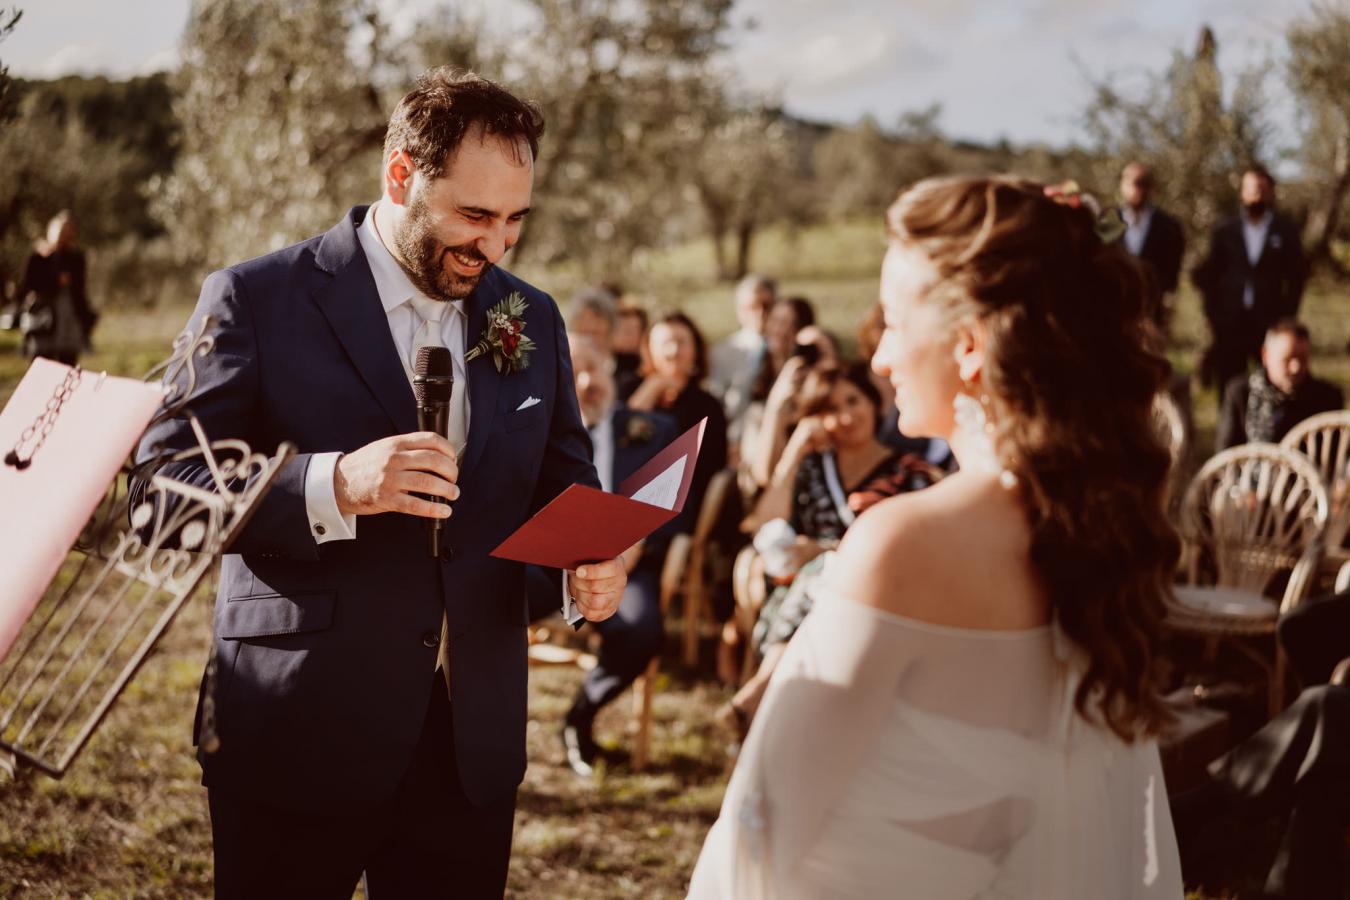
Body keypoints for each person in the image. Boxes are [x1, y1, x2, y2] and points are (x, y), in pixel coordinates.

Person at [133, 69, 628, 898]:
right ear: (400, 174)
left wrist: (592, 565)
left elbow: (561, 480)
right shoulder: (257, 297)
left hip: (471, 743)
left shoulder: (530, 317)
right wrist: (333, 485)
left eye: (514, 221)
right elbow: (158, 491)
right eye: (474, 216)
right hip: (297, 726)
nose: (496, 246)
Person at [689, 175, 1183, 898]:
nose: (881, 357)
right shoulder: (1103, 532)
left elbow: (760, 837)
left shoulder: (905, 542)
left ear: (970, 346)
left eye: (893, 321)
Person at [726, 363, 942, 731]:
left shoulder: (909, 473)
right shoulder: (811, 469)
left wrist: (829, 551)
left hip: (876, 600)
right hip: (798, 598)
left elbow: (917, 549)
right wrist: (793, 452)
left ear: (873, 403)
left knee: (830, 570)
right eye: (829, 409)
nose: (845, 416)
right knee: (819, 578)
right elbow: (764, 527)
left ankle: (762, 691)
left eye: (853, 401)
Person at [534, 334, 679, 778]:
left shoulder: (652, 430)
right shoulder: (532, 429)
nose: (584, 381)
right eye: (572, 371)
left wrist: (637, 543)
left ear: (611, 368)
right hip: (544, 567)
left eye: (592, 367)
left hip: (629, 567)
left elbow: (675, 505)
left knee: (641, 629)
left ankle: (580, 717)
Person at [1193, 165, 1306, 394]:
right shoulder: (1225, 230)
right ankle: (1231, 429)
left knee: (1271, 380)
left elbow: (1296, 277)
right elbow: (1209, 274)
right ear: (1242, 192)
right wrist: (1213, 313)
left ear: (1272, 192)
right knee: (1229, 383)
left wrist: (1286, 316)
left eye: (1263, 189)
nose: (1257, 195)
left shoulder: (1285, 231)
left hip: (1269, 321)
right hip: (1230, 321)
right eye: (1252, 189)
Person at [624, 311, 729, 535]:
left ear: (695, 350)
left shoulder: (708, 405)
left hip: (680, 506)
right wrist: (655, 386)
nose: (673, 352)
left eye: (681, 342)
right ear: (649, 349)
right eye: (665, 343)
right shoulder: (628, 389)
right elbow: (619, 437)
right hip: (625, 496)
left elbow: (708, 470)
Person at [1215, 318, 1343, 451]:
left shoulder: (1327, 397)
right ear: (1266, 355)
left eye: (1303, 359)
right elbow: (1225, 455)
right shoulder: (1240, 392)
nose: (1296, 367)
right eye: (1287, 359)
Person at [16, 211, 97, 365]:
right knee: (42, 365)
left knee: (68, 365)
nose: (64, 237)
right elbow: (28, 284)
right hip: (44, 319)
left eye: (69, 232)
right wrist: (55, 281)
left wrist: (86, 319)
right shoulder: (39, 257)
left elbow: (79, 289)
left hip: (68, 321)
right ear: (51, 232)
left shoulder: (76, 258)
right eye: (61, 232)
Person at [1113, 162, 1185, 327]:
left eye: (1144, 183)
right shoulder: (1110, 220)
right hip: (1115, 306)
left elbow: (1172, 267)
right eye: (1134, 183)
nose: (1138, 190)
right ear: (1122, 185)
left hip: (1152, 310)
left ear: (1152, 187)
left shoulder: (1168, 226)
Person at [708, 274, 775, 423]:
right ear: (740, 310)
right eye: (752, 307)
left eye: (766, 306)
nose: (760, 314)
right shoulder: (723, 351)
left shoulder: (789, 348)